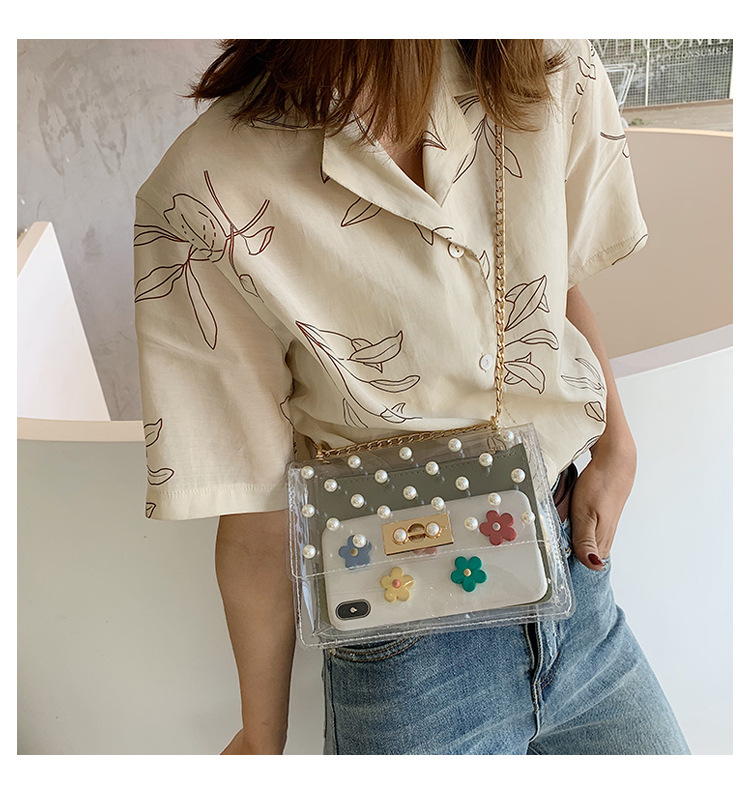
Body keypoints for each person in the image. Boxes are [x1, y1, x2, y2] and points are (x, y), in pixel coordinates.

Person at [133, 39, 690, 755]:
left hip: (576, 592)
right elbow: (255, 505)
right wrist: (261, 740)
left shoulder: (546, 62)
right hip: (402, 645)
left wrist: (617, 444)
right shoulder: (206, 193)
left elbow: (549, 279)